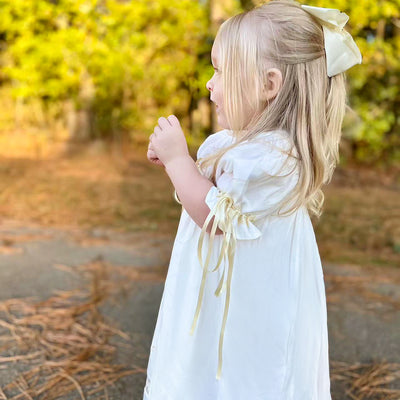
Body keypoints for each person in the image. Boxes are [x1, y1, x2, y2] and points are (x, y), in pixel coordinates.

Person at [144, 0, 362, 398]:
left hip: (249, 297)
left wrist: (179, 161)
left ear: (269, 84)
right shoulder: (240, 145)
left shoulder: (271, 159)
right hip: (226, 286)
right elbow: (211, 197)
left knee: (245, 371)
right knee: (209, 361)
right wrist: (181, 167)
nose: (210, 83)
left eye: (222, 70)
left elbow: (216, 218)